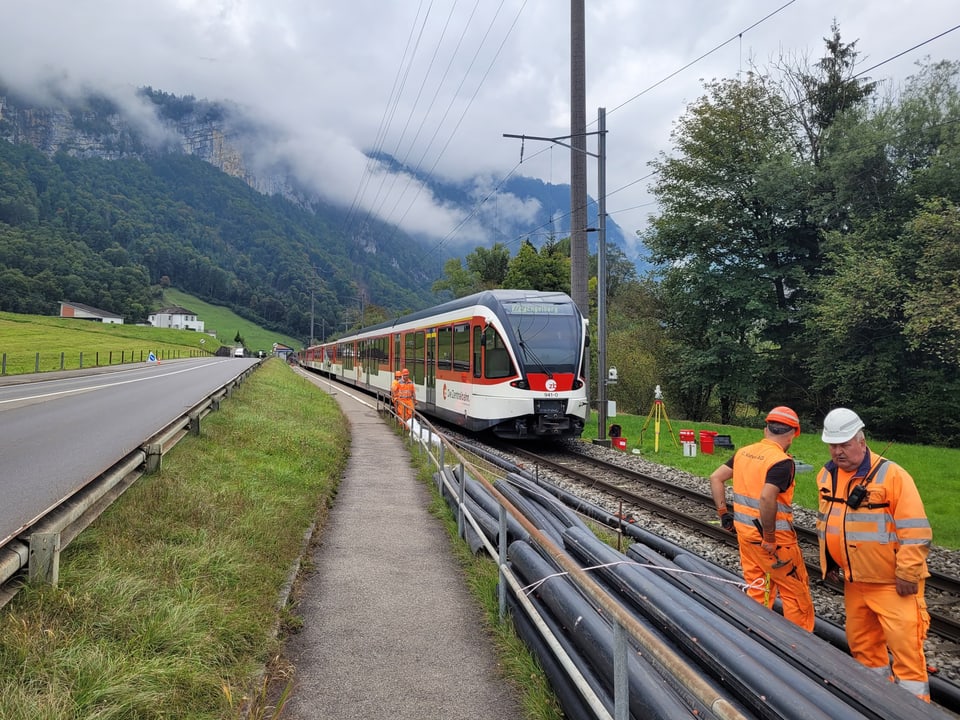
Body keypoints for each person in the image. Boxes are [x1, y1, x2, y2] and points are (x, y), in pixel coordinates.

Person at [817, 408, 932, 701]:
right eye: (833, 445)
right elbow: (830, 521)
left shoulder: (892, 476)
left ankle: (913, 711)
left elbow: (916, 530)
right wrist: (828, 561)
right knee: (864, 650)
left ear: (862, 440)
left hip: (893, 586)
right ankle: (876, 703)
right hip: (855, 584)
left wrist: (907, 572)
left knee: (907, 658)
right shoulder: (827, 475)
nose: (838, 451)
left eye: (844, 444)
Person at [709, 406, 815, 631]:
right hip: (775, 544)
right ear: (794, 433)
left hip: (746, 537)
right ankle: (799, 650)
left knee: (758, 588)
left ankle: (757, 636)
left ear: (766, 428)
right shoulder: (781, 462)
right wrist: (769, 536)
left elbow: (716, 478)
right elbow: (768, 498)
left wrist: (723, 515)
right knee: (796, 597)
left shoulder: (744, 453)